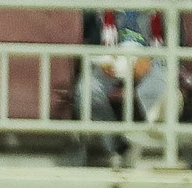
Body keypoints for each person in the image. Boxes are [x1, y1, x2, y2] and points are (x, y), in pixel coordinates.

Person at [77, 10, 180, 165]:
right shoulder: (98, 9)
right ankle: (116, 146)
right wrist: (102, 59)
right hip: (111, 62)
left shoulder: (166, 9)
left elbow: (178, 48)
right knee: (86, 90)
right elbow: (87, 42)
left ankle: (153, 150)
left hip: (152, 63)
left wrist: (150, 60)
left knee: (163, 91)